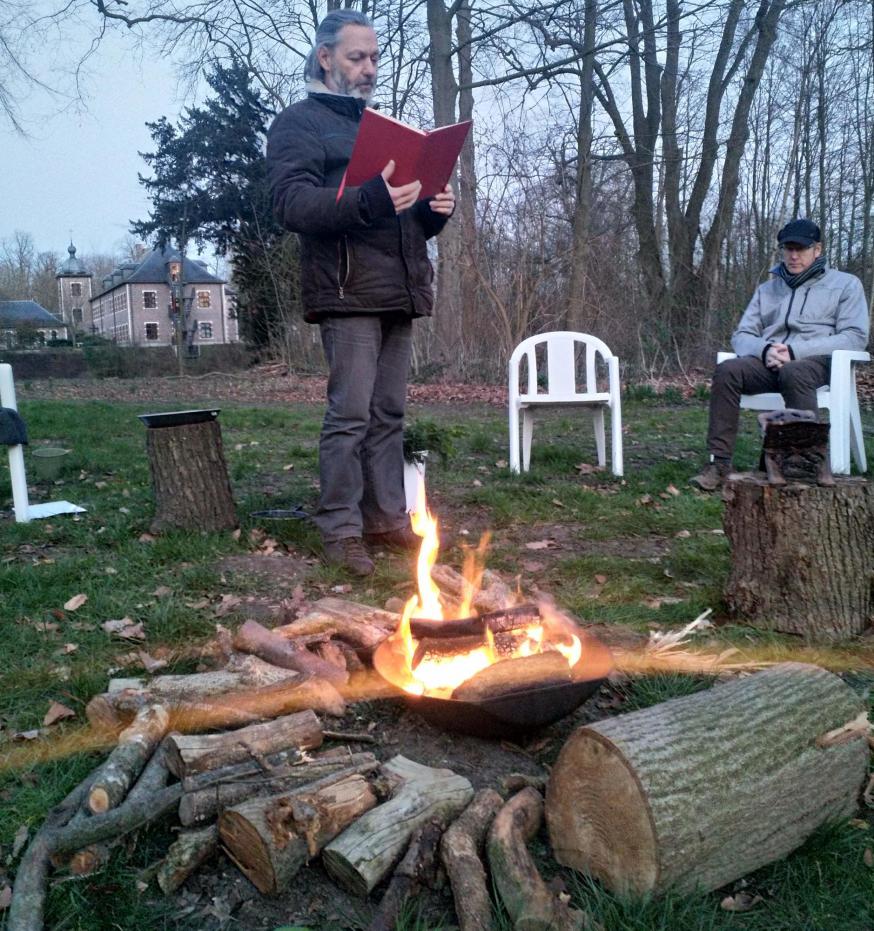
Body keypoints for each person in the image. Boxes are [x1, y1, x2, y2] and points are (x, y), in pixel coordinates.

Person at [266, 10, 456, 576]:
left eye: (374, 58)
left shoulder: (380, 125)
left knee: (388, 413)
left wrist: (431, 211)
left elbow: (401, 218)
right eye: (357, 57)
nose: (370, 68)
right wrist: (372, 197)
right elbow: (291, 205)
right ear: (325, 58)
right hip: (345, 289)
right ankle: (340, 530)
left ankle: (387, 520)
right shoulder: (298, 124)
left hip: (397, 288)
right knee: (349, 414)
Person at [690, 218, 869, 491]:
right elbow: (741, 335)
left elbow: (855, 337)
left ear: (817, 250)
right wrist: (764, 350)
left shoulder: (845, 285)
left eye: (801, 248)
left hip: (817, 363)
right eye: (788, 249)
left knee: (793, 371)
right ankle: (719, 463)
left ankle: (805, 462)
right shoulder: (768, 289)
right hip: (769, 361)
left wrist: (796, 351)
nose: (793, 255)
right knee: (729, 370)